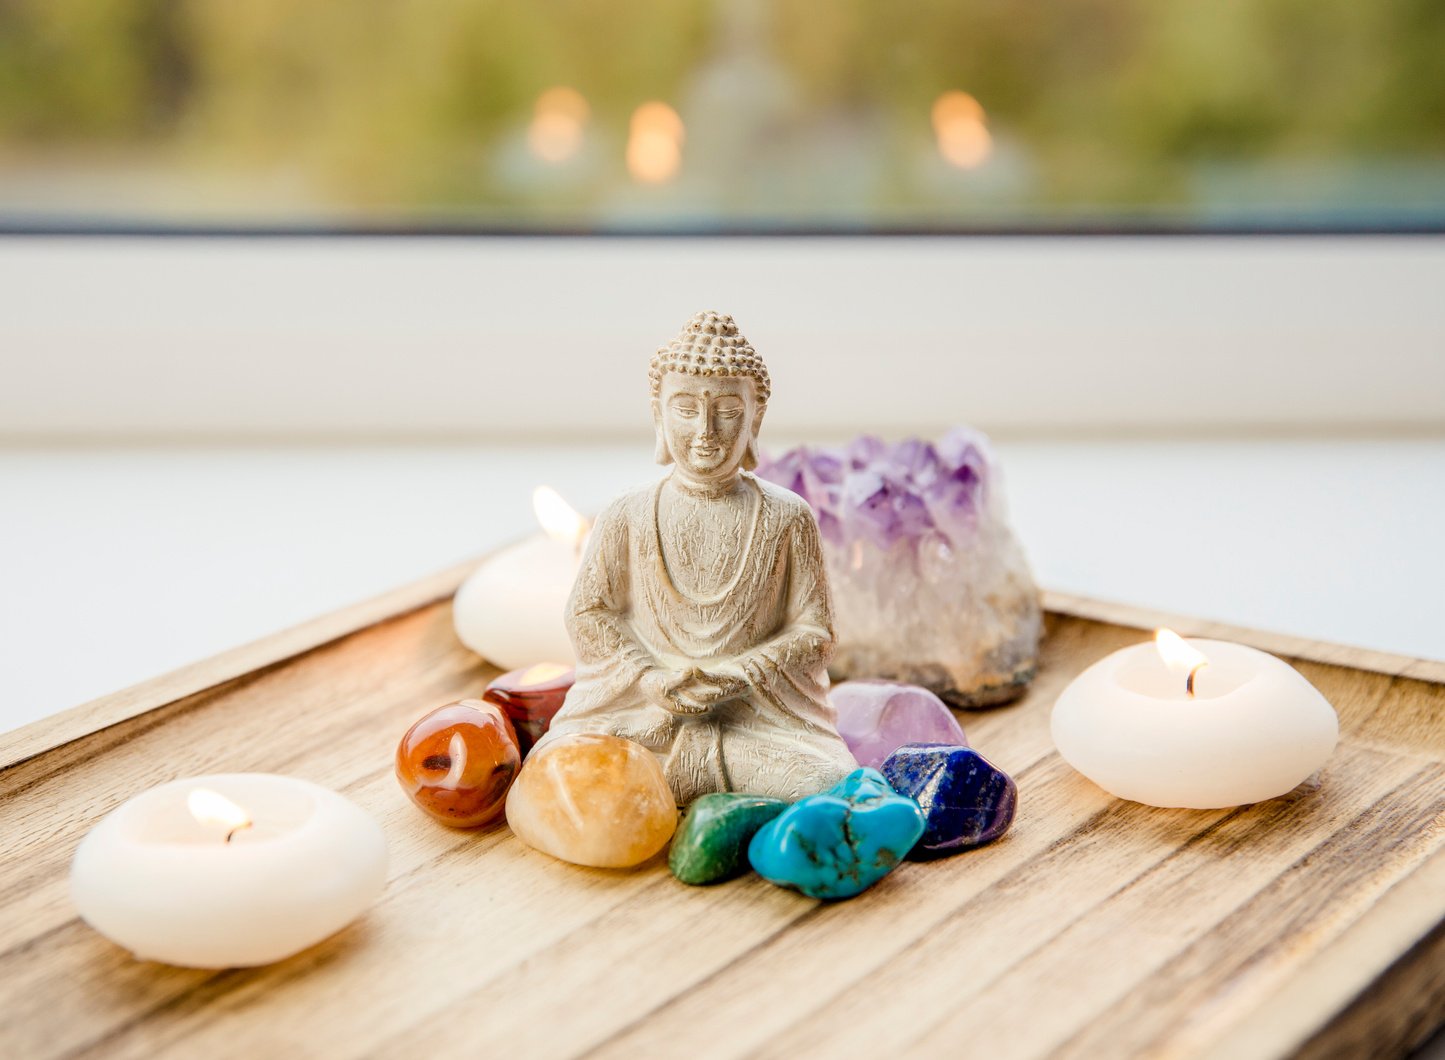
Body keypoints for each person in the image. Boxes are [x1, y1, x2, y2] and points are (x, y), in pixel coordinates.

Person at [535, 311, 857, 804]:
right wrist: (650, 678)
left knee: (825, 782)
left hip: (753, 722)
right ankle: (697, 775)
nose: (706, 430)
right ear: (658, 415)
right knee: (556, 762)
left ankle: (676, 778)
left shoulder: (788, 516)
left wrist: (740, 674)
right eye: (685, 409)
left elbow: (815, 632)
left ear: (756, 418)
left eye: (727, 411)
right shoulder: (626, 512)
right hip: (645, 714)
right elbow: (587, 612)